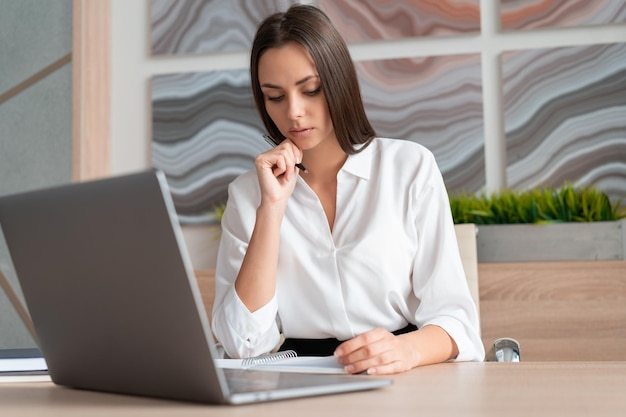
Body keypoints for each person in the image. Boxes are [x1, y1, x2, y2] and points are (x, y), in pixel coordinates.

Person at [212, 4, 484, 375]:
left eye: (311, 90)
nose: (293, 112)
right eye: (275, 97)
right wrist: (271, 210)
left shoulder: (409, 168)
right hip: (299, 382)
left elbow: (457, 323)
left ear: (338, 82)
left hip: (402, 375)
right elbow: (241, 344)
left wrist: (406, 351)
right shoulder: (249, 195)